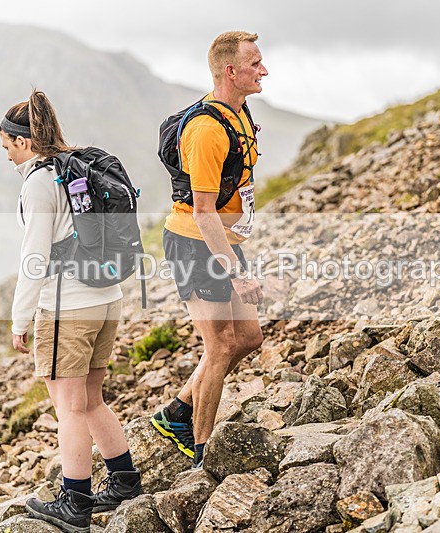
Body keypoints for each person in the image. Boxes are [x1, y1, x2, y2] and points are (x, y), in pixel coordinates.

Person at [0, 89, 141, 533]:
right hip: (107, 298)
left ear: (23, 140)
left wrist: (20, 320)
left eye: (6, 146)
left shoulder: (39, 183)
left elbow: (35, 258)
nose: (7, 155)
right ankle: (124, 480)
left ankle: (75, 501)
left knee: (69, 407)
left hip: (68, 308)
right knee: (91, 399)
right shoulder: (76, 166)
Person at [152, 31, 268, 468]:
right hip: (194, 241)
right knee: (220, 345)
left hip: (224, 239)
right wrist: (236, 272)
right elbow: (202, 213)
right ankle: (201, 453)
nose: (264, 70)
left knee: (249, 338)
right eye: (255, 64)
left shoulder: (239, 113)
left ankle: (177, 410)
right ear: (231, 71)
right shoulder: (205, 131)